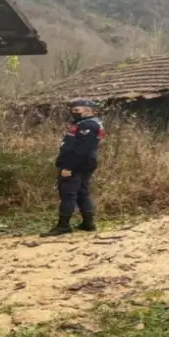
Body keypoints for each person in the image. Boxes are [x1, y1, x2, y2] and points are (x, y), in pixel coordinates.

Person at [41, 99, 106, 237]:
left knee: (68, 194)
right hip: (85, 163)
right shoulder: (85, 123)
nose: (73, 112)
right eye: (73, 110)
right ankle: (88, 223)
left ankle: (63, 226)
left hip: (77, 165)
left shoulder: (88, 125)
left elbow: (81, 150)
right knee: (82, 192)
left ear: (88, 110)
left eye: (77, 110)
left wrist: (68, 167)